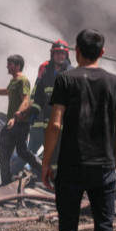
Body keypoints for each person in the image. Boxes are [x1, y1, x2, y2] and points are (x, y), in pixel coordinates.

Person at [41, 29, 116, 231]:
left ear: (76, 51)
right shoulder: (115, 82)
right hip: (103, 167)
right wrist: (114, 164)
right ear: (102, 52)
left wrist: (46, 162)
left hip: (71, 166)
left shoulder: (65, 79)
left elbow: (55, 124)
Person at [0, 54, 42, 185]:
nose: (7, 66)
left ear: (18, 66)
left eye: (9, 64)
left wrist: (14, 118)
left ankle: (6, 181)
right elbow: (6, 91)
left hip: (19, 123)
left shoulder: (23, 81)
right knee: (22, 151)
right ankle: (42, 170)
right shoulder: (13, 81)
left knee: (5, 151)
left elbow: (26, 101)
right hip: (15, 123)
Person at [27, 40, 72, 168]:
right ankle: (53, 183)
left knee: (64, 155)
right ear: (52, 55)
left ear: (67, 55)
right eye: (57, 53)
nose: (60, 56)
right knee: (51, 155)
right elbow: (39, 96)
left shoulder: (72, 73)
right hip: (49, 123)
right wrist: (34, 111)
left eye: (63, 53)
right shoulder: (46, 74)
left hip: (66, 123)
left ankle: (61, 183)